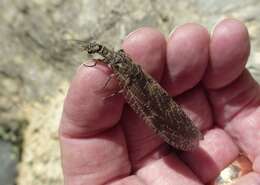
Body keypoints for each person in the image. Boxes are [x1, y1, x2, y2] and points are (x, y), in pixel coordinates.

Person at [59, 18, 260, 185]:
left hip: (148, 94)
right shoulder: (114, 63)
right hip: (143, 89)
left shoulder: (118, 64)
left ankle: (186, 134)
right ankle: (187, 135)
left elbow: (129, 85)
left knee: (154, 111)